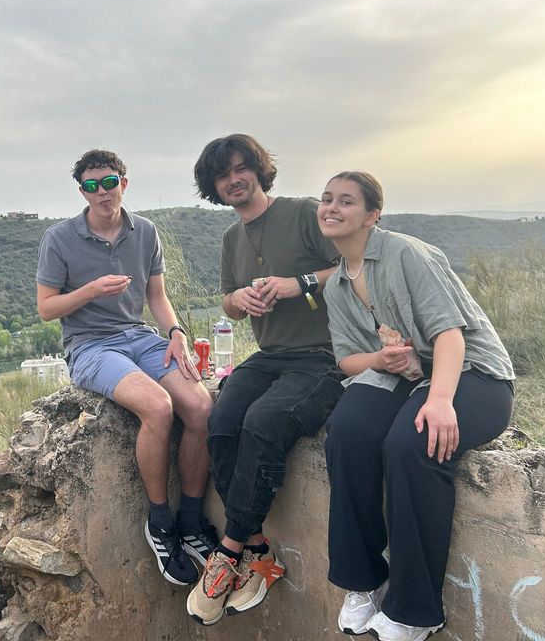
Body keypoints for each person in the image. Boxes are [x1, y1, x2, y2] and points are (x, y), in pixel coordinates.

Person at [318, 172, 514, 641]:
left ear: (372, 215)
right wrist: (381, 359)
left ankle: (415, 610)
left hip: (474, 374)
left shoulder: (405, 253)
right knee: (347, 431)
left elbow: (450, 334)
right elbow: (347, 360)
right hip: (409, 376)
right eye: (326, 199)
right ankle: (365, 581)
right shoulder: (337, 286)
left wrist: (441, 400)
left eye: (346, 201)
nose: (332, 208)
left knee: (413, 441)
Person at [36, 149, 215, 586]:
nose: (102, 192)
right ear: (82, 192)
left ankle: (191, 519)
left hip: (138, 337)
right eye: (92, 185)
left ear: (123, 184)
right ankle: (160, 522)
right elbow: (46, 308)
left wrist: (176, 332)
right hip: (90, 346)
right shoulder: (59, 239)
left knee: (200, 407)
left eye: (110, 182)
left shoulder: (145, 232)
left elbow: (157, 296)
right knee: (158, 407)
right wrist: (91, 290)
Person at [186, 134, 345, 624]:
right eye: (222, 175)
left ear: (259, 170)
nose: (234, 180)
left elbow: (355, 264)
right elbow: (228, 302)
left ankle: (229, 552)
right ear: (214, 186)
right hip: (271, 354)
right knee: (221, 421)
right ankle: (259, 553)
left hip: (326, 356)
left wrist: (299, 283)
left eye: (241, 168)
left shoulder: (302, 213)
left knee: (264, 422)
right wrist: (240, 301)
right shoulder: (231, 239)